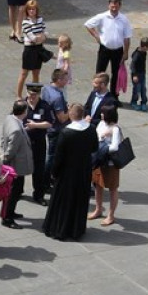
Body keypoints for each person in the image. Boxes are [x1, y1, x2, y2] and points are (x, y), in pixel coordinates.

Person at [42, 103, 99, 241]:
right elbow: (94, 147)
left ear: (71, 114)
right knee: (80, 199)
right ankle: (76, 229)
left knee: (63, 200)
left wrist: (54, 172)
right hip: (83, 169)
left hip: (67, 171)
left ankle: (60, 228)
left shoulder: (66, 132)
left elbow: (59, 156)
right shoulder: (90, 129)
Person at [84, 0, 133, 89]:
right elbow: (88, 24)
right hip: (104, 49)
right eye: (112, 6)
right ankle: (97, 92)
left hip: (118, 50)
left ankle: (114, 95)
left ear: (120, 6)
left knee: (116, 73)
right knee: (100, 72)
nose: (114, 9)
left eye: (116, 7)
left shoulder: (124, 19)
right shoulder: (102, 16)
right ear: (109, 5)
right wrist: (96, 35)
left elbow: (127, 37)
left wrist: (126, 52)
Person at [0, 100, 33, 228]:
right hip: (16, 166)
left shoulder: (10, 119)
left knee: (17, 191)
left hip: (16, 165)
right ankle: (7, 218)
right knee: (14, 192)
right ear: (24, 112)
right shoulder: (16, 131)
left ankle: (11, 212)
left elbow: (5, 138)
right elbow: (11, 151)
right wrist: (5, 161)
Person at [89, 104, 123, 226]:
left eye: (103, 113)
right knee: (98, 185)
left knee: (113, 188)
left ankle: (111, 215)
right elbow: (96, 137)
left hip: (110, 164)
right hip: (99, 161)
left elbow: (115, 147)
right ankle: (98, 209)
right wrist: (102, 138)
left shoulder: (115, 129)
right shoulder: (101, 124)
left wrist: (102, 145)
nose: (101, 115)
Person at [24, 86, 54, 206]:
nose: (31, 98)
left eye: (34, 95)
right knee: (20, 167)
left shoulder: (44, 106)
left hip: (39, 142)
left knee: (39, 169)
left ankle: (38, 195)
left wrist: (35, 125)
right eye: (30, 94)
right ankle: (18, 191)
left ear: (39, 95)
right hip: (24, 142)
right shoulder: (21, 104)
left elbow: (49, 123)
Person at [41, 68, 71, 182]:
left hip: (49, 127)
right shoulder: (57, 97)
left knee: (51, 155)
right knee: (52, 157)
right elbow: (62, 118)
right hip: (56, 129)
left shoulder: (46, 89)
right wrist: (70, 111)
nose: (67, 82)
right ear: (59, 80)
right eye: (65, 80)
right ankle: (47, 180)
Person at [17, 0, 48, 97]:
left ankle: (34, 94)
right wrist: (40, 36)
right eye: (29, 9)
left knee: (36, 73)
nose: (31, 11)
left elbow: (46, 34)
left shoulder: (40, 19)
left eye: (33, 9)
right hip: (29, 50)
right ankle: (18, 95)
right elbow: (32, 38)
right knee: (24, 74)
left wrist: (40, 37)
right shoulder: (25, 22)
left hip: (39, 49)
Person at [128, 36, 148, 111]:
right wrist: (134, 75)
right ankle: (134, 102)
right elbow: (132, 65)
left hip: (142, 73)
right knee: (137, 89)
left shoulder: (144, 52)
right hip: (137, 75)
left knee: (143, 89)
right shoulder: (137, 55)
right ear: (145, 47)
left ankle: (144, 102)